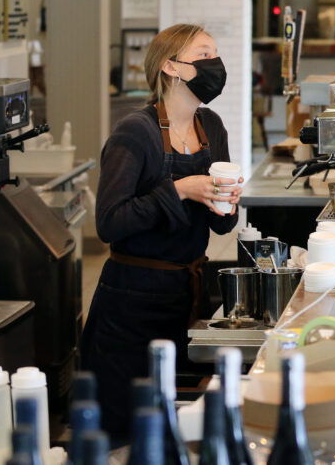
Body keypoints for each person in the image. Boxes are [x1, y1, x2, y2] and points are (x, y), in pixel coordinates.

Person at [80, 24, 242, 438]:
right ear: (171, 66)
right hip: (129, 307)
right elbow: (109, 223)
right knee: (126, 431)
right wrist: (180, 189)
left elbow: (221, 223)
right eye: (204, 55)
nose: (215, 64)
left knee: (175, 427)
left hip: (186, 299)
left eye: (215, 54)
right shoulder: (135, 132)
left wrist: (225, 203)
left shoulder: (212, 126)